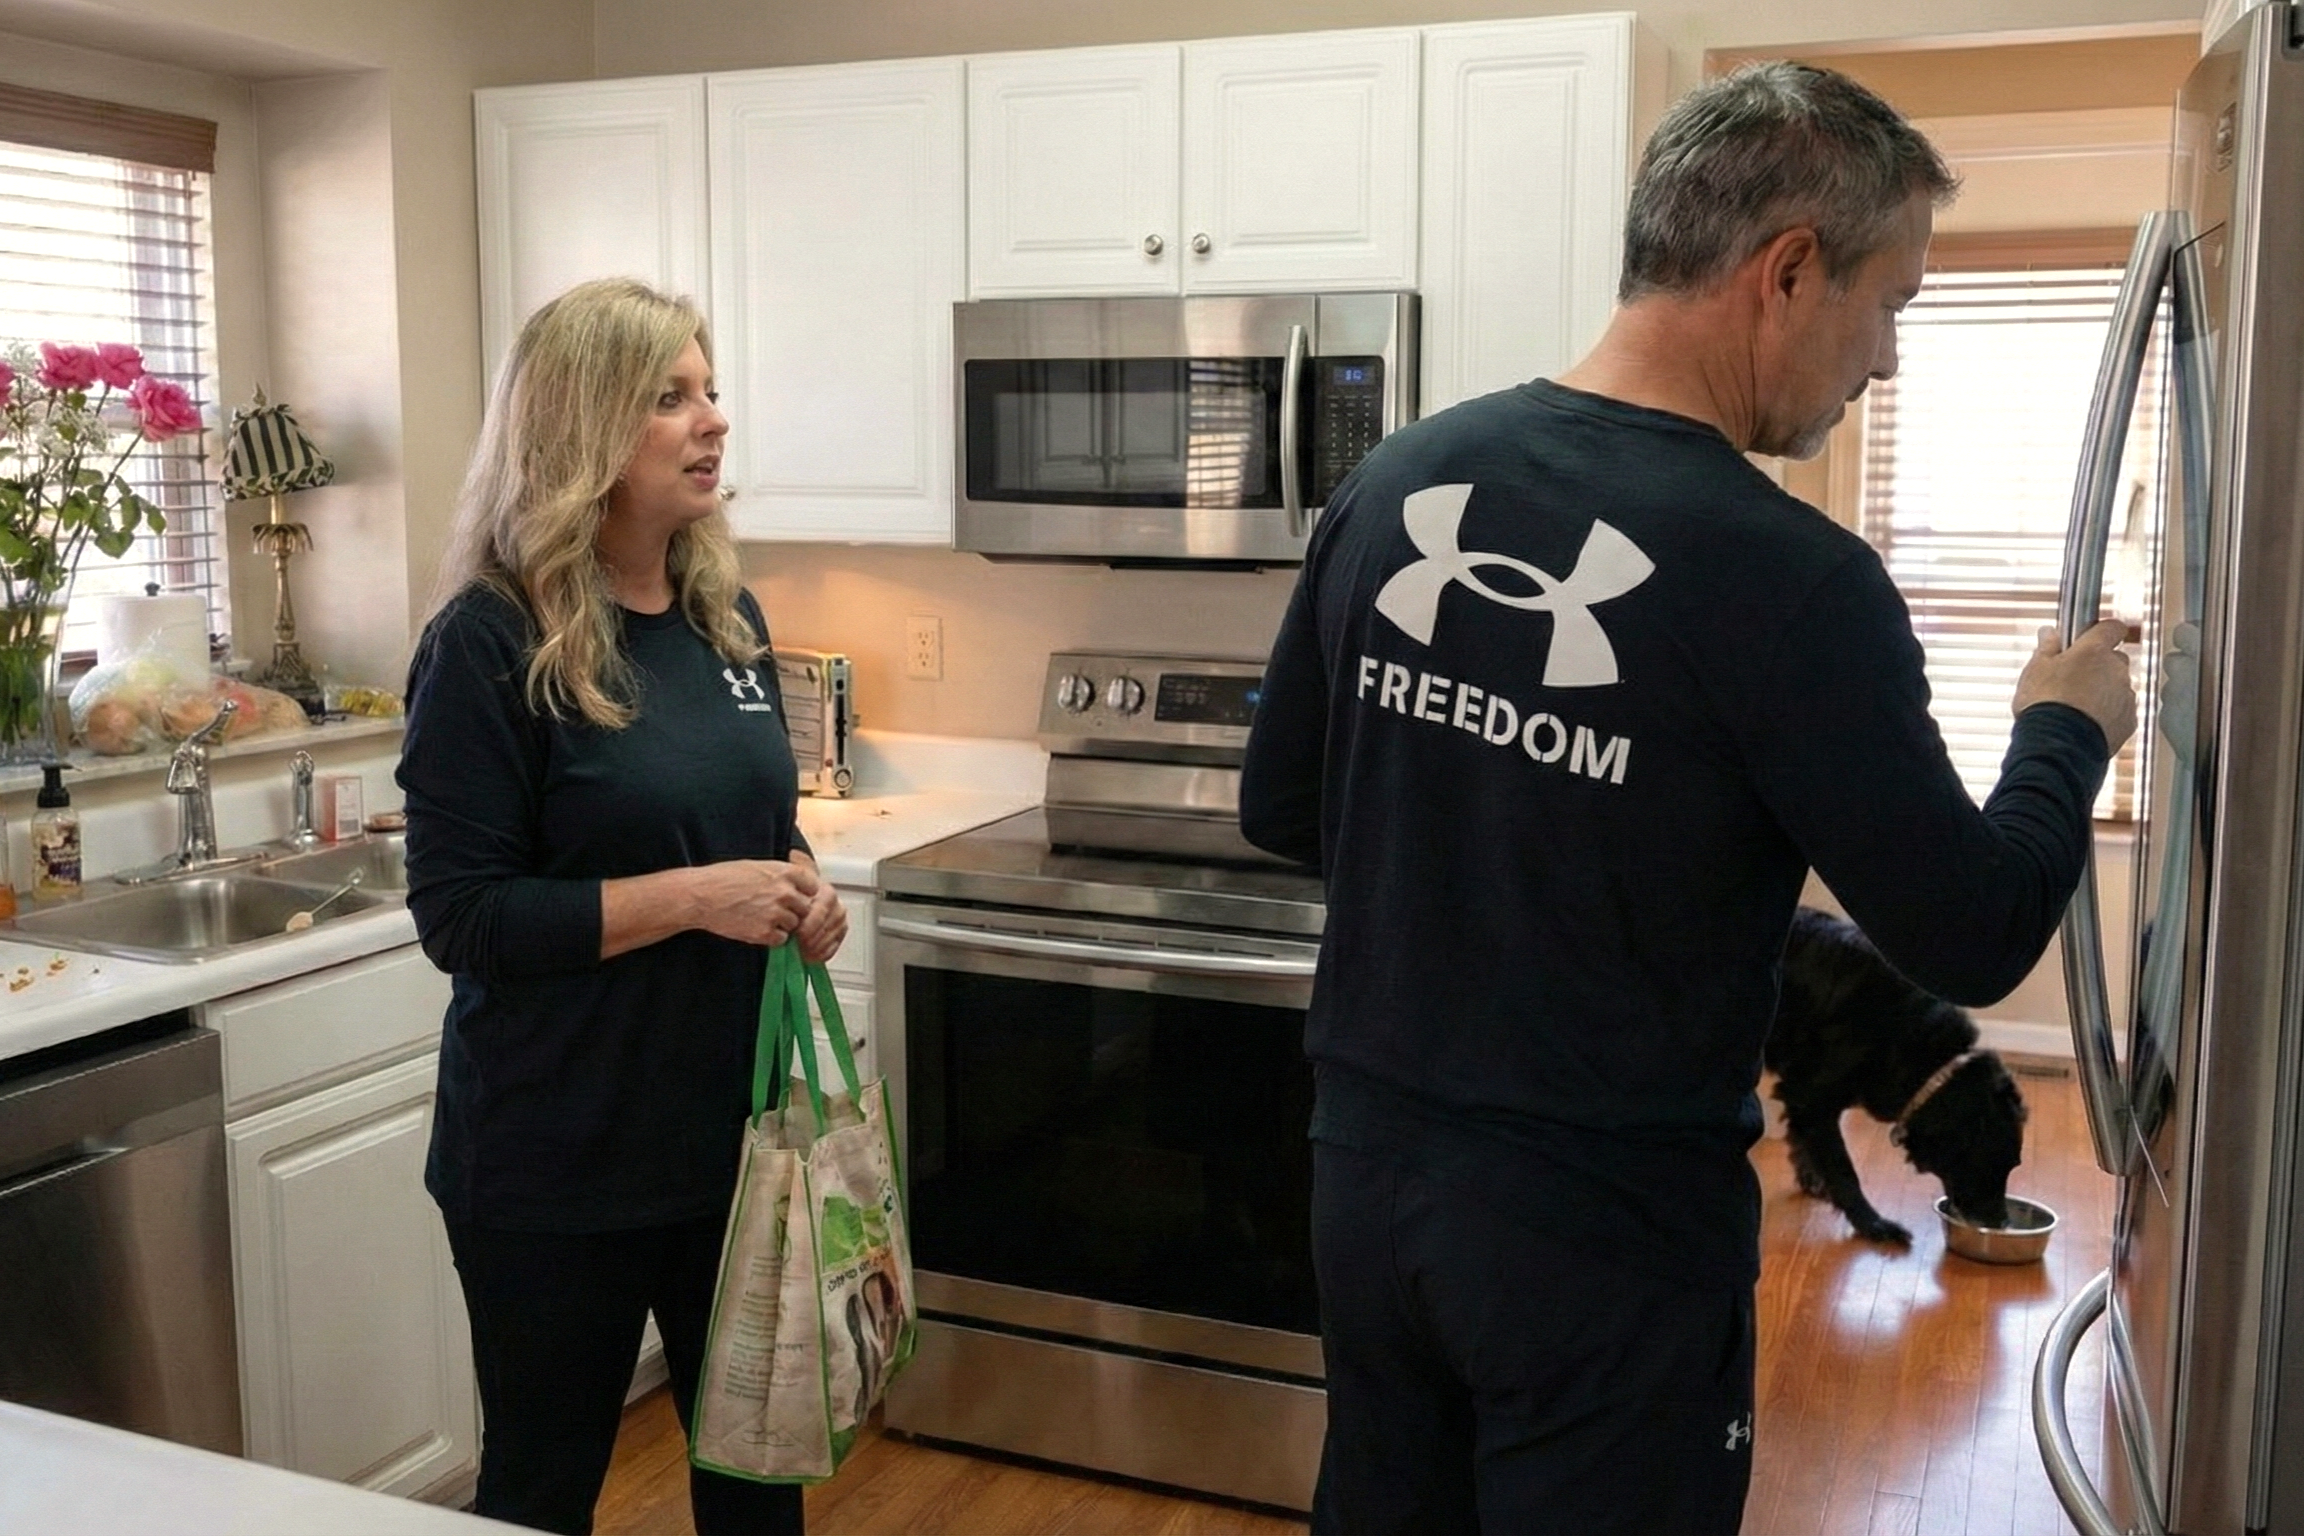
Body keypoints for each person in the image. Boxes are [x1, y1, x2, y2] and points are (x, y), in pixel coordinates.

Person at [1238, 62, 2136, 1536]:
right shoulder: (1790, 583)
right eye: (1892, 305)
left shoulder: (1404, 479)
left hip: (1367, 1189)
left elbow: (1283, 808)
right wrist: (2063, 728)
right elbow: (1974, 932)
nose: (1887, 363)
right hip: (1600, 1241)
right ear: (1789, 271)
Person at [400, 277, 845, 1536]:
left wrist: (798, 889)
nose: (712, 421)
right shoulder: (490, 641)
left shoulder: (724, 617)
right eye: (670, 398)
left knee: (760, 1486)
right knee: (542, 1491)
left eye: (710, 391)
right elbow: (468, 919)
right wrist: (702, 896)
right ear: (584, 426)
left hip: (732, 1148)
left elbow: (751, 825)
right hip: (555, 1163)